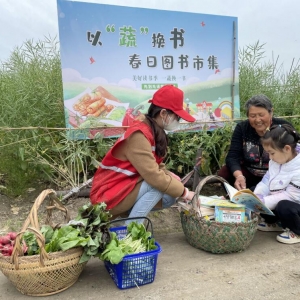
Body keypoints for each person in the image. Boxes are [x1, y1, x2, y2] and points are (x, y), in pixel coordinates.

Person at [90, 85, 196, 221]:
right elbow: (153, 175)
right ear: (163, 113)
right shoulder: (139, 135)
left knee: (170, 194)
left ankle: (120, 222)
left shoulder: (152, 131)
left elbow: (155, 165)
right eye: (177, 117)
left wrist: (171, 177)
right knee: (158, 184)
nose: (178, 121)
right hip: (106, 196)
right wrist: (185, 192)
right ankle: (131, 230)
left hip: (121, 189)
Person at [217, 94, 292, 191]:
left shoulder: (283, 127)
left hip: (276, 176)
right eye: (252, 116)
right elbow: (232, 156)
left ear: (271, 112)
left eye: (261, 115)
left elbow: (293, 155)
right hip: (250, 174)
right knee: (225, 172)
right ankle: (237, 195)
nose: (257, 120)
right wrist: (239, 176)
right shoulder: (242, 128)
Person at [253, 124, 300, 244]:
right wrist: (257, 195)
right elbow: (266, 180)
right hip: (280, 197)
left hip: (294, 203)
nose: (270, 157)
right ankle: (277, 223)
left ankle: (297, 231)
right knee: (254, 193)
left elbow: (292, 196)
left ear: (287, 149)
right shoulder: (276, 161)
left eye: (272, 153)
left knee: (284, 206)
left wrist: (263, 202)